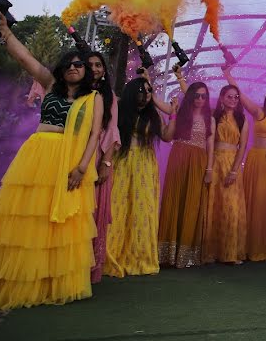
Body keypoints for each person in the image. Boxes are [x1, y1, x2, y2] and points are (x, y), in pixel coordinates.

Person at [0, 14, 103, 309]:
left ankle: (48, 281)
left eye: (78, 64)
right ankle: (16, 278)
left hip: (69, 161)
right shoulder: (51, 83)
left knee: (58, 222)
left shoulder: (94, 98)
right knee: (30, 217)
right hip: (38, 155)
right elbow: (25, 57)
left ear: (87, 71)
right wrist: (5, 32)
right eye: (68, 64)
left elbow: (94, 135)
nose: (73, 67)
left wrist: (81, 167)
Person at [224, 67, 266, 261]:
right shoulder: (258, 113)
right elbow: (240, 95)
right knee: (253, 201)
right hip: (257, 161)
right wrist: (228, 75)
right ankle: (249, 247)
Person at [105, 77, 165, 277]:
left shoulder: (153, 115)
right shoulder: (119, 110)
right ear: (132, 91)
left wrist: (172, 113)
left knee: (142, 209)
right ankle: (109, 255)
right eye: (142, 90)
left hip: (145, 164)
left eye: (149, 91)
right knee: (117, 206)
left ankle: (139, 258)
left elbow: (167, 136)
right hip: (121, 160)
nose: (146, 94)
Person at [158, 81, 215, 268]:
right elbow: (162, 106)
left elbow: (210, 146)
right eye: (197, 95)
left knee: (192, 203)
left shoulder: (210, 119)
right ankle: (166, 253)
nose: (200, 99)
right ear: (190, 96)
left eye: (204, 96)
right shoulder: (181, 112)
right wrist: (148, 85)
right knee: (173, 199)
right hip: (179, 157)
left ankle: (185, 255)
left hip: (198, 161)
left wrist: (209, 169)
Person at [204, 85, 249, 265]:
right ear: (222, 98)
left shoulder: (242, 119)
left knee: (231, 207)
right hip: (215, 161)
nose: (233, 100)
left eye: (236, 97)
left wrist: (234, 170)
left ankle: (230, 252)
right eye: (229, 97)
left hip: (232, 164)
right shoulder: (214, 117)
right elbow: (210, 143)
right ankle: (211, 252)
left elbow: (243, 146)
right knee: (213, 206)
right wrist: (208, 168)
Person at [87, 51, 120, 283]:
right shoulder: (73, 93)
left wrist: (106, 163)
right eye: (90, 65)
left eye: (99, 65)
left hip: (98, 155)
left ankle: (88, 267)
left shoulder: (110, 97)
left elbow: (112, 131)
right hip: (73, 152)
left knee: (93, 210)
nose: (95, 69)